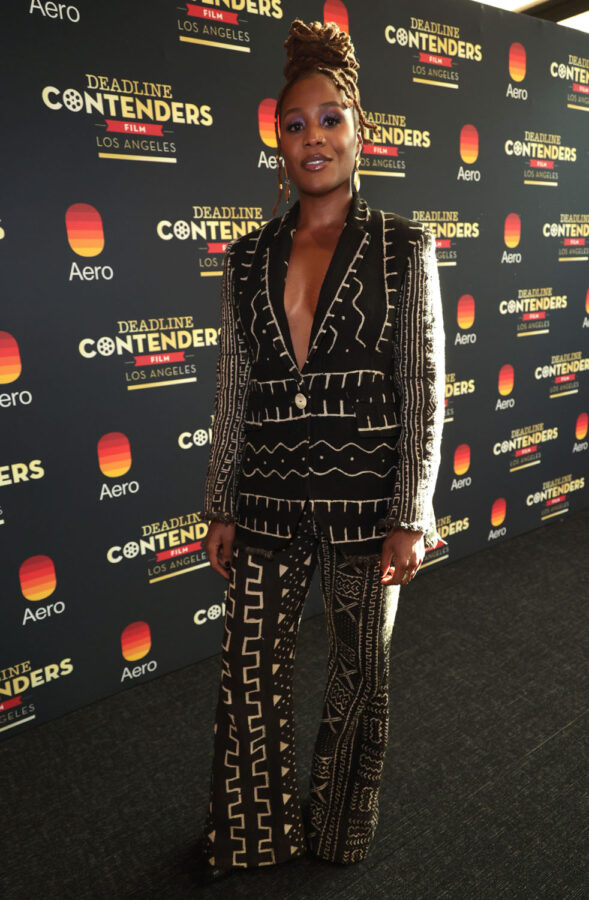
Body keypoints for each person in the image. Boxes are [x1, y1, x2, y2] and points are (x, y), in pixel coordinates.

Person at [196, 18, 445, 884]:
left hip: (365, 505)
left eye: (330, 119)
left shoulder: (403, 248)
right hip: (263, 497)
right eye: (295, 123)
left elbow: (422, 387)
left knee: (357, 677)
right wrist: (221, 500)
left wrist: (410, 514)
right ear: (277, 139)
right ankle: (253, 831)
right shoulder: (245, 259)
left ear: (358, 131)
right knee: (249, 679)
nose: (314, 138)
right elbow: (234, 387)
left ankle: (337, 832)